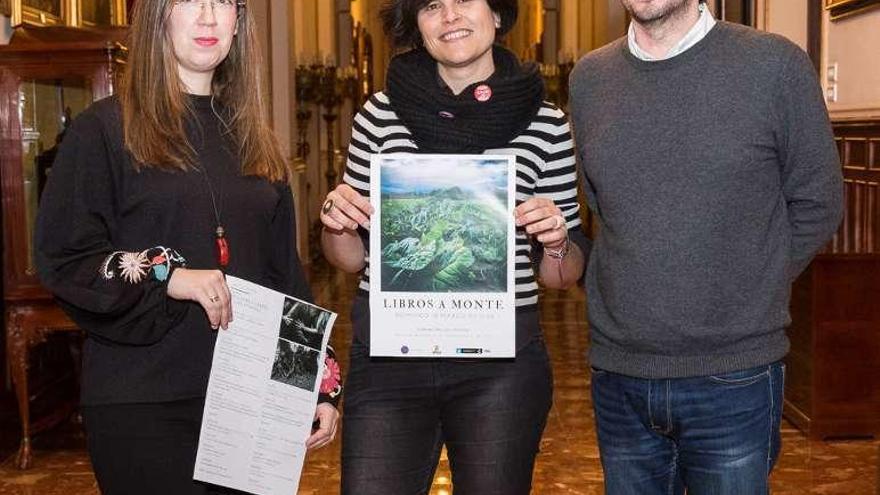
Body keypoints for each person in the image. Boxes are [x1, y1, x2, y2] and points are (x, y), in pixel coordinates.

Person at [34, 0, 340, 493]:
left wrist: (316, 385)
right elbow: (65, 259)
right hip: (143, 402)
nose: (207, 17)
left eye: (222, 2)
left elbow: (284, 275)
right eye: (188, 1)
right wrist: (167, 274)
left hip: (248, 398)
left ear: (240, 22)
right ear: (158, 16)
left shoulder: (255, 137)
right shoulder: (104, 129)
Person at [568, 0, 843, 493]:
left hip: (733, 374)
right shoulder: (590, 78)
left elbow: (818, 201)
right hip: (619, 372)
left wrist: (748, 284)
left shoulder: (774, 65)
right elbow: (602, 208)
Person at [320, 0, 588, 493]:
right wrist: (338, 223)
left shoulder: (548, 123)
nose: (450, 17)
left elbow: (562, 275)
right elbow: (351, 258)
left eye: (465, 0)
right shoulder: (379, 116)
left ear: (499, 15)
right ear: (414, 25)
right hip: (390, 362)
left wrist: (555, 240)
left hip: (501, 368)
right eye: (431, 6)